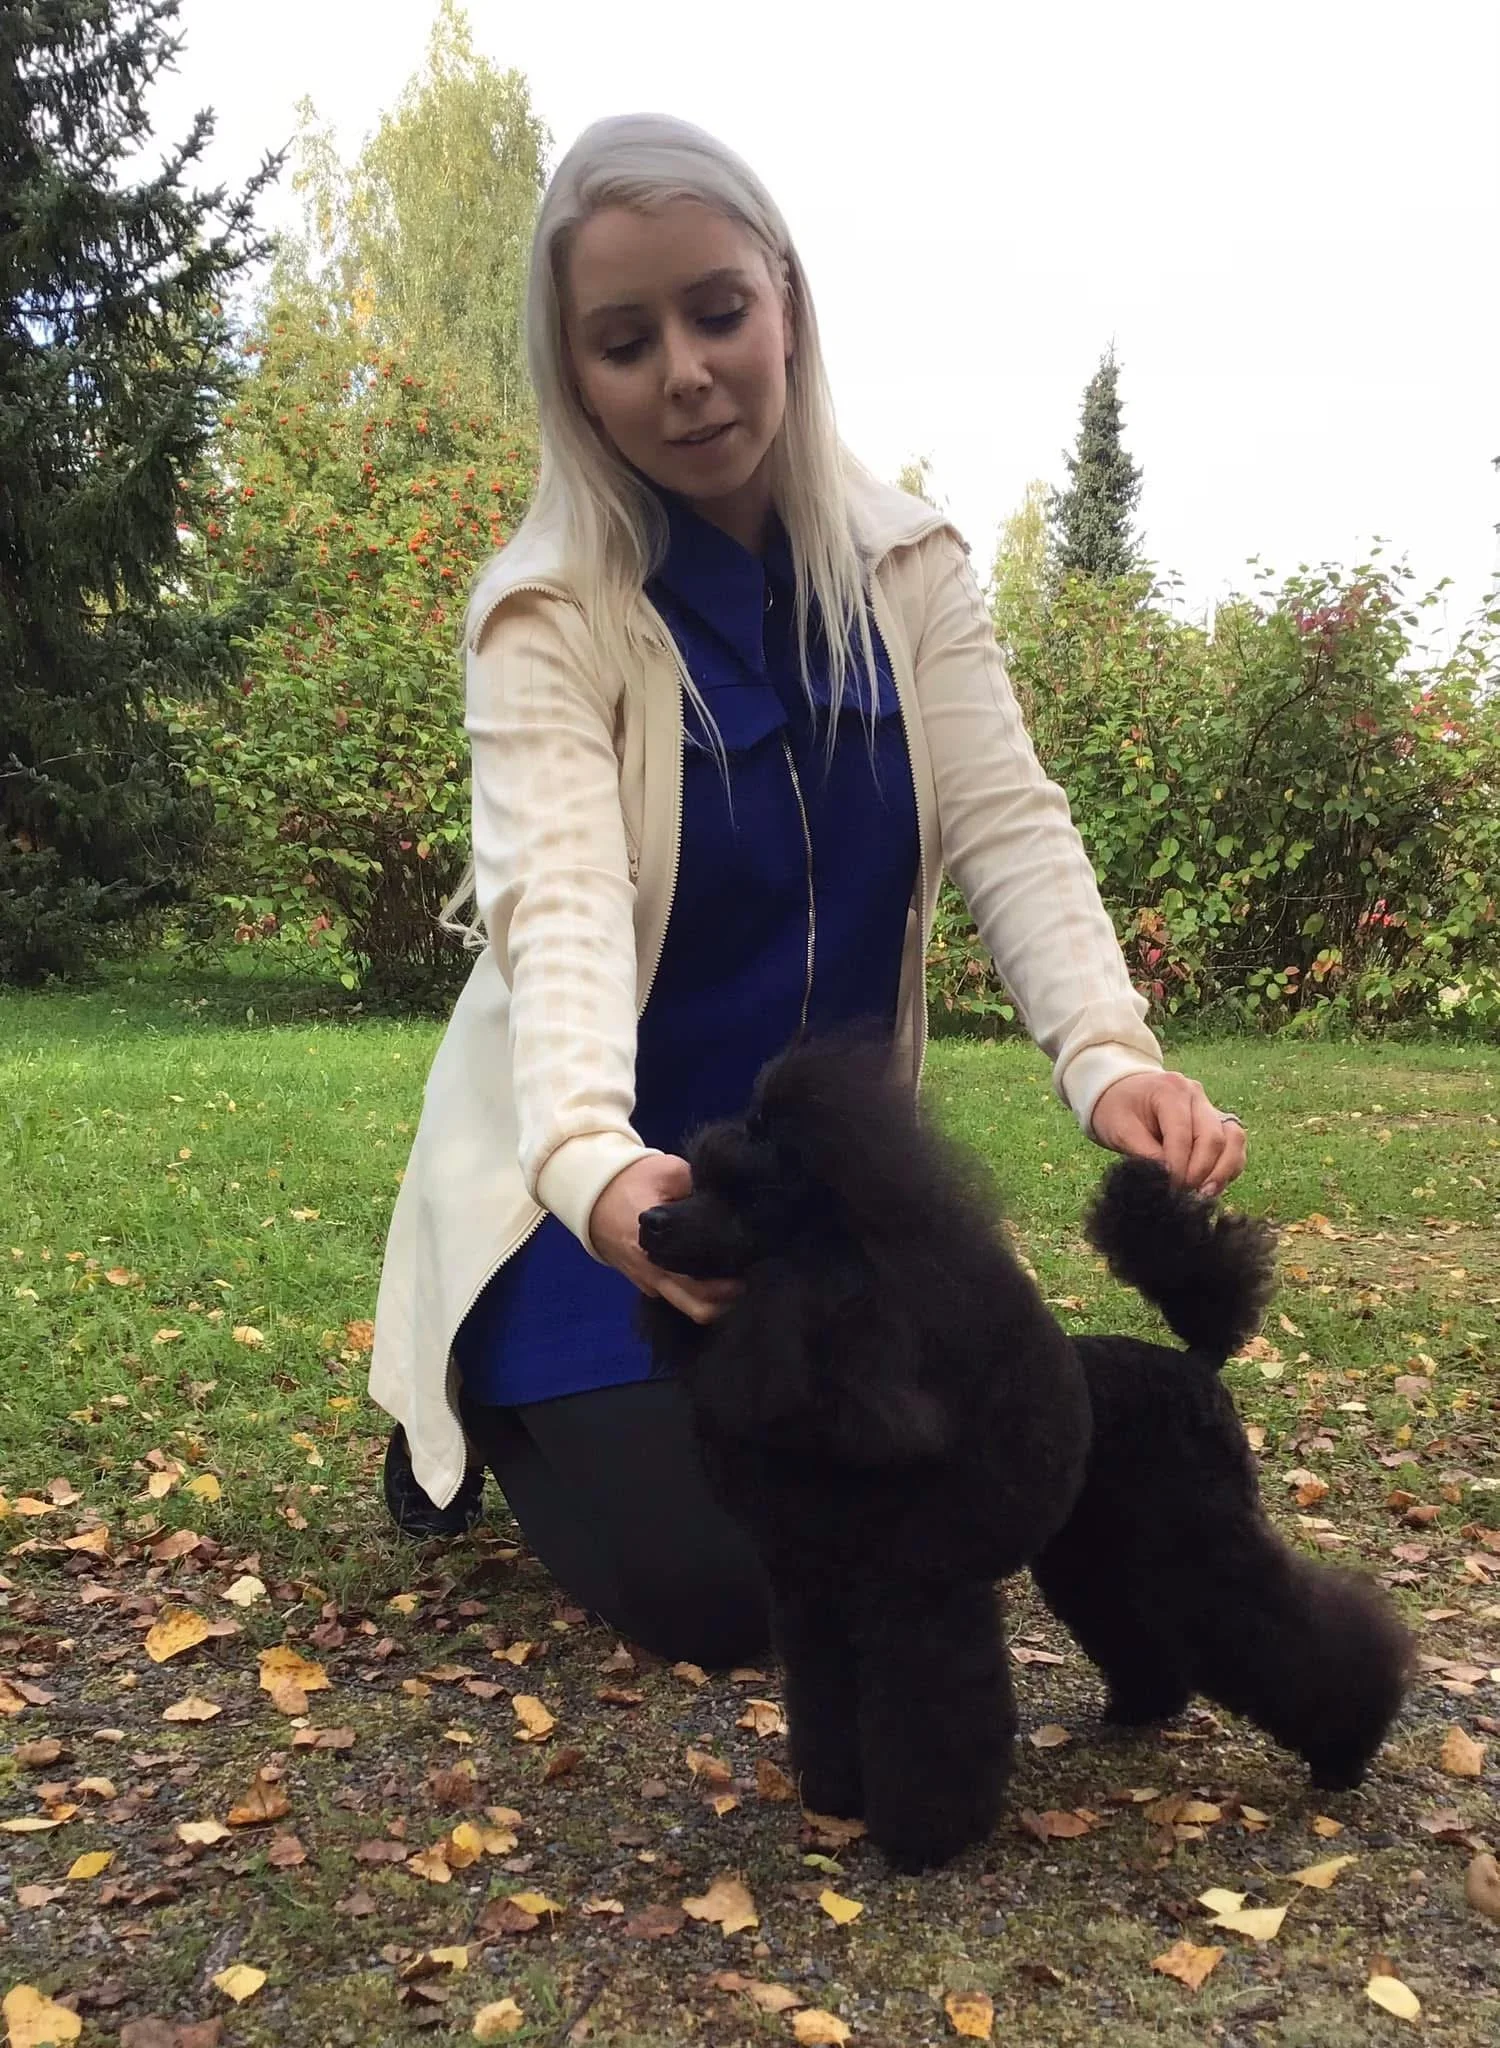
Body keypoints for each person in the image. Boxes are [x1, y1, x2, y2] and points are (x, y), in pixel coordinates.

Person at [369, 113, 1248, 1662]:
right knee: (740, 1593)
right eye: (624, 340)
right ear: (575, 374)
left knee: (922, 1496)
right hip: (599, 1200)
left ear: (787, 303)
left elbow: (1010, 828)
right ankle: (473, 1397)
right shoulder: (544, 616)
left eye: (718, 312)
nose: (687, 370)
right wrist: (590, 1162)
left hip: (820, 1201)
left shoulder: (910, 571)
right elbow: (557, 909)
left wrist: (1110, 1057)